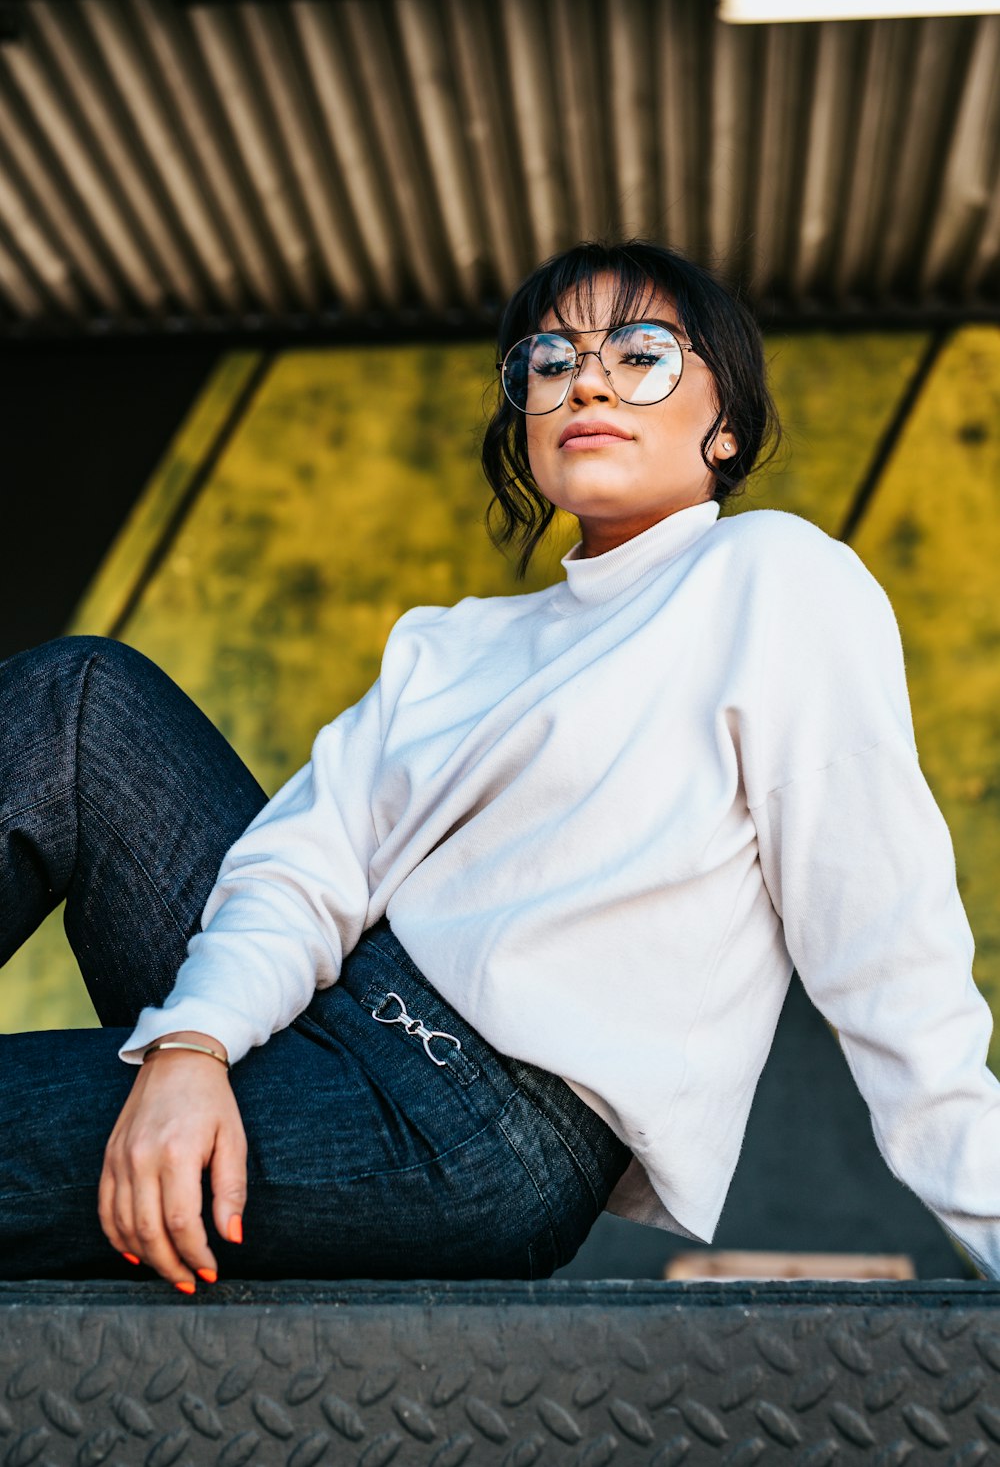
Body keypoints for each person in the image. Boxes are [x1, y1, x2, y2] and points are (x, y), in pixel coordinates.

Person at [2, 238, 999, 1295]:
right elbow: (301, 874)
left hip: (481, 1127)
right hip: (329, 1016)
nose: (590, 381)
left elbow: (884, 939)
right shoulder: (448, 645)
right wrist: (190, 1047)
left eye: (643, 352)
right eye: (550, 361)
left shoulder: (771, 582)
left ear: (726, 425)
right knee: (83, 703)